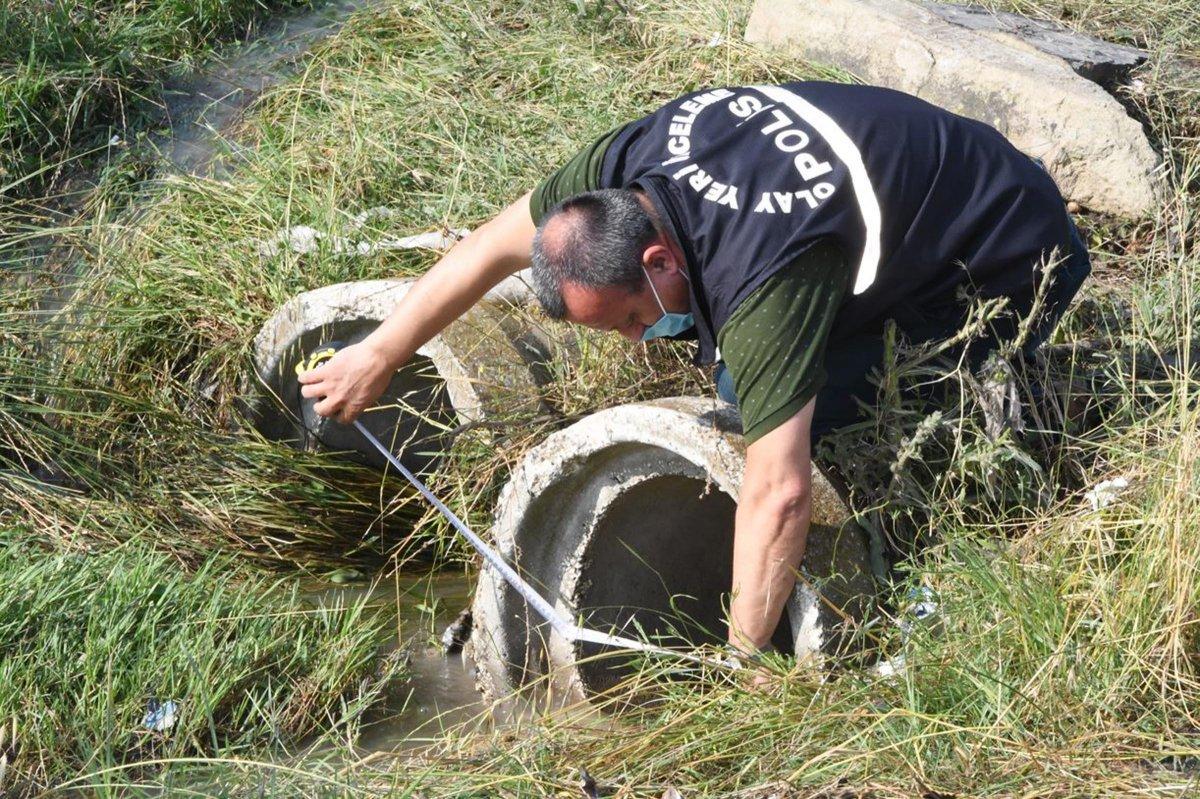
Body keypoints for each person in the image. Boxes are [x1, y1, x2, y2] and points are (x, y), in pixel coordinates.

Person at [297, 81, 1091, 659]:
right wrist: (379, 351)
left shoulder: (764, 277)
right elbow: (486, 249)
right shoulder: (616, 172)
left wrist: (744, 659)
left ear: (657, 259)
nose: (636, 342)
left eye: (630, 318)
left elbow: (779, 490)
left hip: (1007, 252)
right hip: (903, 186)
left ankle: (962, 474)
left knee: (790, 407)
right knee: (739, 375)